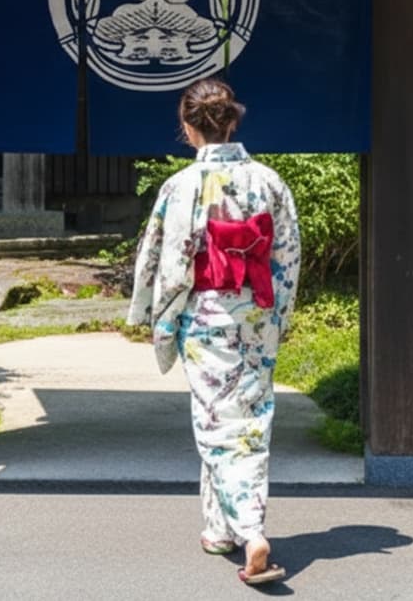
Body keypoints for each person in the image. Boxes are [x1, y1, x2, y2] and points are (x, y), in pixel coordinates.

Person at [127, 77, 301, 586]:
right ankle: (218, 530)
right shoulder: (270, 182)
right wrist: (279, 314)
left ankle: (250, 531)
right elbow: (288, 256)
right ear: (232, 122)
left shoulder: (181, 187)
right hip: (256, 314)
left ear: (188, 126)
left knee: (217, 424)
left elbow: (165, 260)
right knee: (247, 416)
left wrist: (154, 316)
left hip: (206, 318)